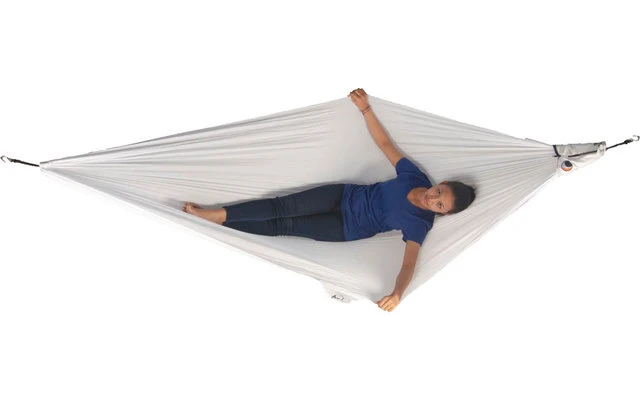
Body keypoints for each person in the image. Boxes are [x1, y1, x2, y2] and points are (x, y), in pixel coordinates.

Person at [182, 88, 476, 312]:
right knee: (281, 206)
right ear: (441, 183)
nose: (432, 198)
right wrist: (365, 109)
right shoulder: (415, 177)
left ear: (443, 213)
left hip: (345, 229)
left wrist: (398, 293)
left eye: (439, 205)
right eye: (439, 192)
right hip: (342, 195)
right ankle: (218, 215)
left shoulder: (420, 224)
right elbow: (385, 144)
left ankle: (225, 225)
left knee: (283, 226)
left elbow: (409, 265)